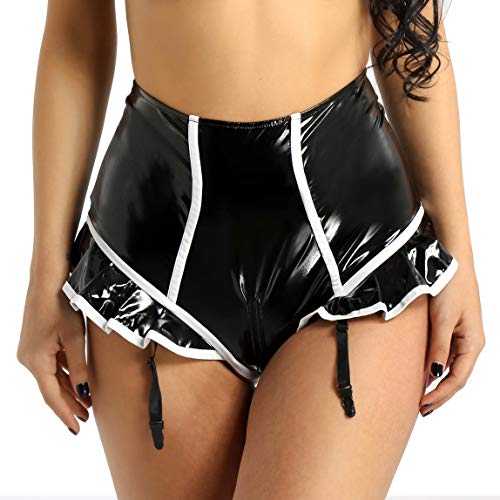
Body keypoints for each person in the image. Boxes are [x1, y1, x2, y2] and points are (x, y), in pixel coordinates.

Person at [17, 0, 485, 498]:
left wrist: (459, 254)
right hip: (155, 256)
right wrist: (46, 276)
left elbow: (408, 23)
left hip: (353, 245)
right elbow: (76, 38)